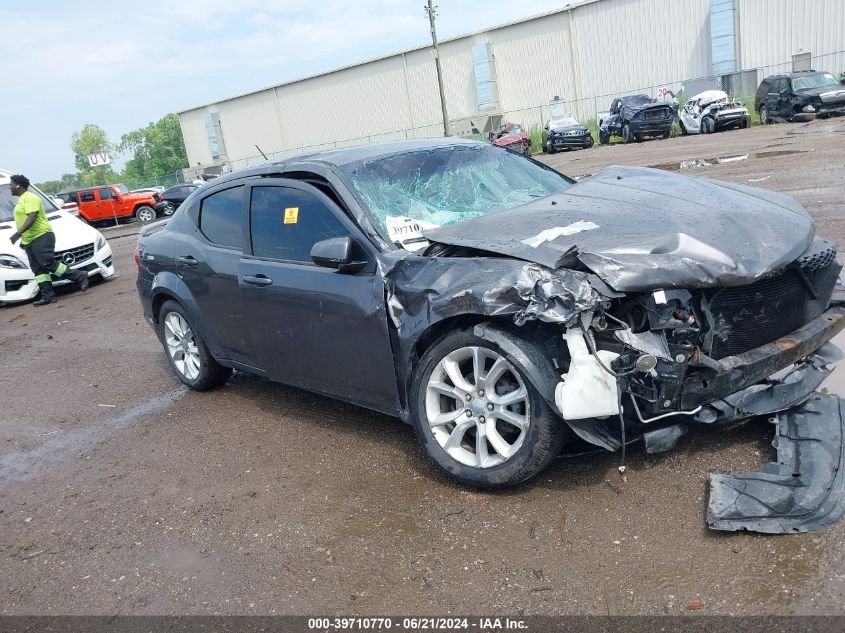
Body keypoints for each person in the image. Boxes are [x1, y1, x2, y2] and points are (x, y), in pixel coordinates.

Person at [8, 174, 88, 306]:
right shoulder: (21, 199)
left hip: (42, 236)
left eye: (11, 184)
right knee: (38, 269)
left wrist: (18, 233)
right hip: (29, 240)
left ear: (18, 186)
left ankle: (79, 276)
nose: (10, 187)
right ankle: (48, 296)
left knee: (47, 263)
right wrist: (24, 239)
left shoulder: (30, 197)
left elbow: (32, 216)